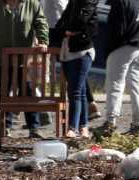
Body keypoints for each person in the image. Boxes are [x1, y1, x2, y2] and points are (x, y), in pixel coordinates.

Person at [0, 0, 51, 139]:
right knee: (4, 91)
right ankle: (4, 127)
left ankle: (33, 127)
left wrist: (43, 40)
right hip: (0, 57)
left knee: (28, 91)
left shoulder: (32, 3)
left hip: (24, 57)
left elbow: (40, 22)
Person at [52, 0, 98, 138]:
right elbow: (59, 26)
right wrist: (66, 31)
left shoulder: (89, 2)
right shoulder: (73, 2)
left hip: (83, 51)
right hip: (68, 52)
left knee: (75, 91)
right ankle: (83, 127)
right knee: (80, 91)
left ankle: (73, 128)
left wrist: (69, 30)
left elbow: (81, 21)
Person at [100, 0, 139, 135]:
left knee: (115, 85)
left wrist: (109, 49)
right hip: (138, 46)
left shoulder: (121, 2)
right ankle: (137, 124)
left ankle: (110, 122)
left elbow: (117, 29)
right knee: (135, 87)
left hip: (121, 47)